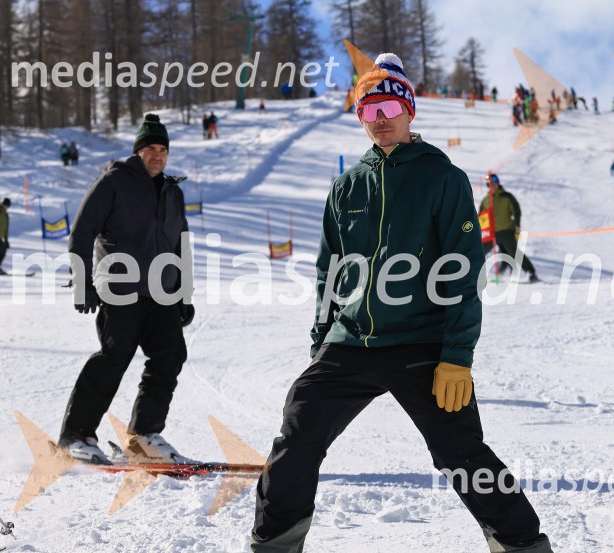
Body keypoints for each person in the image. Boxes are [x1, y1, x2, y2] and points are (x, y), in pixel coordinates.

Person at [251, 53, 553, 553]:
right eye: (368, 112)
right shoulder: (346, 187)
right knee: (296, 439)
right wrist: (321, 341)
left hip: (421, 342)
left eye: (389, 107)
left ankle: (524, 547)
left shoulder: (443, 178)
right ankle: (272, 546)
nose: (380, 120)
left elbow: (462, 269)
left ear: (409, 110)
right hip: (349, 342)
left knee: (462, 454)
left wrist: (456, 356)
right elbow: (330, 271)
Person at [58, 113, 195, 466]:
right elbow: (82, 231)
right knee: (113, 357)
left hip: (161, 293)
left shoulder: (172, 191)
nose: (157, 155)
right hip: (120, 288)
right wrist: (81, 282)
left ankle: (144, 436)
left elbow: (181, 247)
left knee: (170, 356)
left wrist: (183, 295)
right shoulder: (113, 182)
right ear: (138, 151)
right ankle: (77, 435)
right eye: (150, 148)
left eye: (163, 149)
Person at [480, 173, 539, 282]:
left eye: (494, 184)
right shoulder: (486, 200)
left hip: (506, 230)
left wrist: (516, 225)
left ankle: (531, 273)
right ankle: (475, 276)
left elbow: (516, 211)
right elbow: (482, 217)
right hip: (492, 233)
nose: (492, 186)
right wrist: (483, 230)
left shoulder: (507, 197)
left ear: (498, 184)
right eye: (489, 185)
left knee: (513, 252)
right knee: (480, 251)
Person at [0, 197, 11, 275]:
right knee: (2, 249)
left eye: (6, 207)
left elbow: (5, 228)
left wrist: (6, 240)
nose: (4, 208)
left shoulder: (6, 215)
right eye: (3, 206)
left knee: (3, 249)